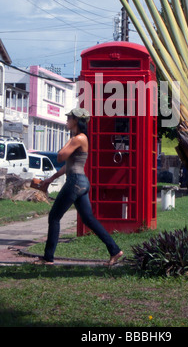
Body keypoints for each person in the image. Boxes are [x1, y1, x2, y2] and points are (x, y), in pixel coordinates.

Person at [37, 108, 123, 266]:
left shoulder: (78, 138)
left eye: (68, 118)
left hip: (75, 182)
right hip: (80, 181)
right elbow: (67, 166)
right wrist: (50, 179)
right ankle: (115, 250)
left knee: (54, 217)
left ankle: (48, 258)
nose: (66, 120)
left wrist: (70, 141)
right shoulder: (79, 138)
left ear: (75, 120)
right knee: (88, 219)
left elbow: (60, 156)